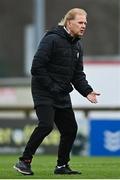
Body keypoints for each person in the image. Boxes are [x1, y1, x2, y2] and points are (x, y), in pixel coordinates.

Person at [14, 8, 100, 175]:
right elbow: (36, 68)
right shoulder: (52, 39)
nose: (83, 26)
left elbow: (77, 75)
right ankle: (24, 162)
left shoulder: (77, 45)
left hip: (60, 92)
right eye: (80, 22)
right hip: (43, 90)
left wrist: (87, 91)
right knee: (46, 125)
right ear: (69, 22)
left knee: (70, 129)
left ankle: (61, 166)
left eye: (85, 23)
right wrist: (53, 87)